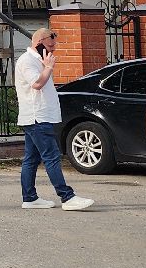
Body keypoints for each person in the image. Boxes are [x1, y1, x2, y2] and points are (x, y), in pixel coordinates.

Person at [15, 29, 95, 212]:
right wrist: (49, 67)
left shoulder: (37, 60)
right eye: (50, 45)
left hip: (38, 117)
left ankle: (30, 198)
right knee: (51, 157)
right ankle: (67, 197)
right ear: (39, 42)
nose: (53, 49)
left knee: (31, 159)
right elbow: (36, 84)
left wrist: (46, 65)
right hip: (37, 117)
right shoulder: (27, 61)